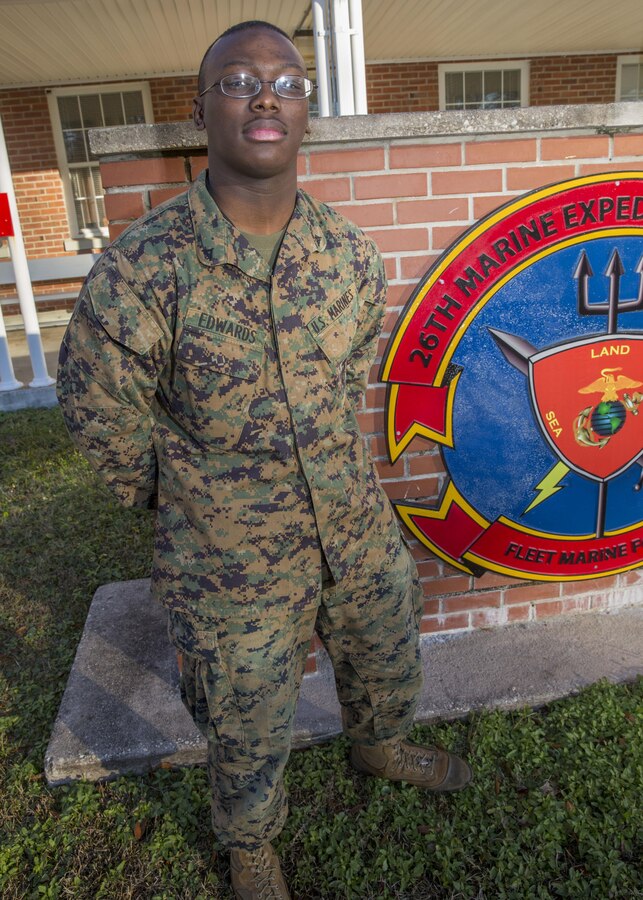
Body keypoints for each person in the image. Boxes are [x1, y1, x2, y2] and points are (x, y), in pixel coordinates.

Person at [57, 20, 471, 900]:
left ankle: (380, 743)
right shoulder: (145, 268)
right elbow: (99, 407)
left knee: (385, 641)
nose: (265, 96)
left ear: (304, 113)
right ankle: (249, 844)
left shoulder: (349, 256)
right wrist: (183, 498)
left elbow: (350, 370)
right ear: (201, 107)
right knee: (245, 711)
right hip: (228, 557)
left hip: (351, 523)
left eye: (286, 83)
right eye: (239, 80)